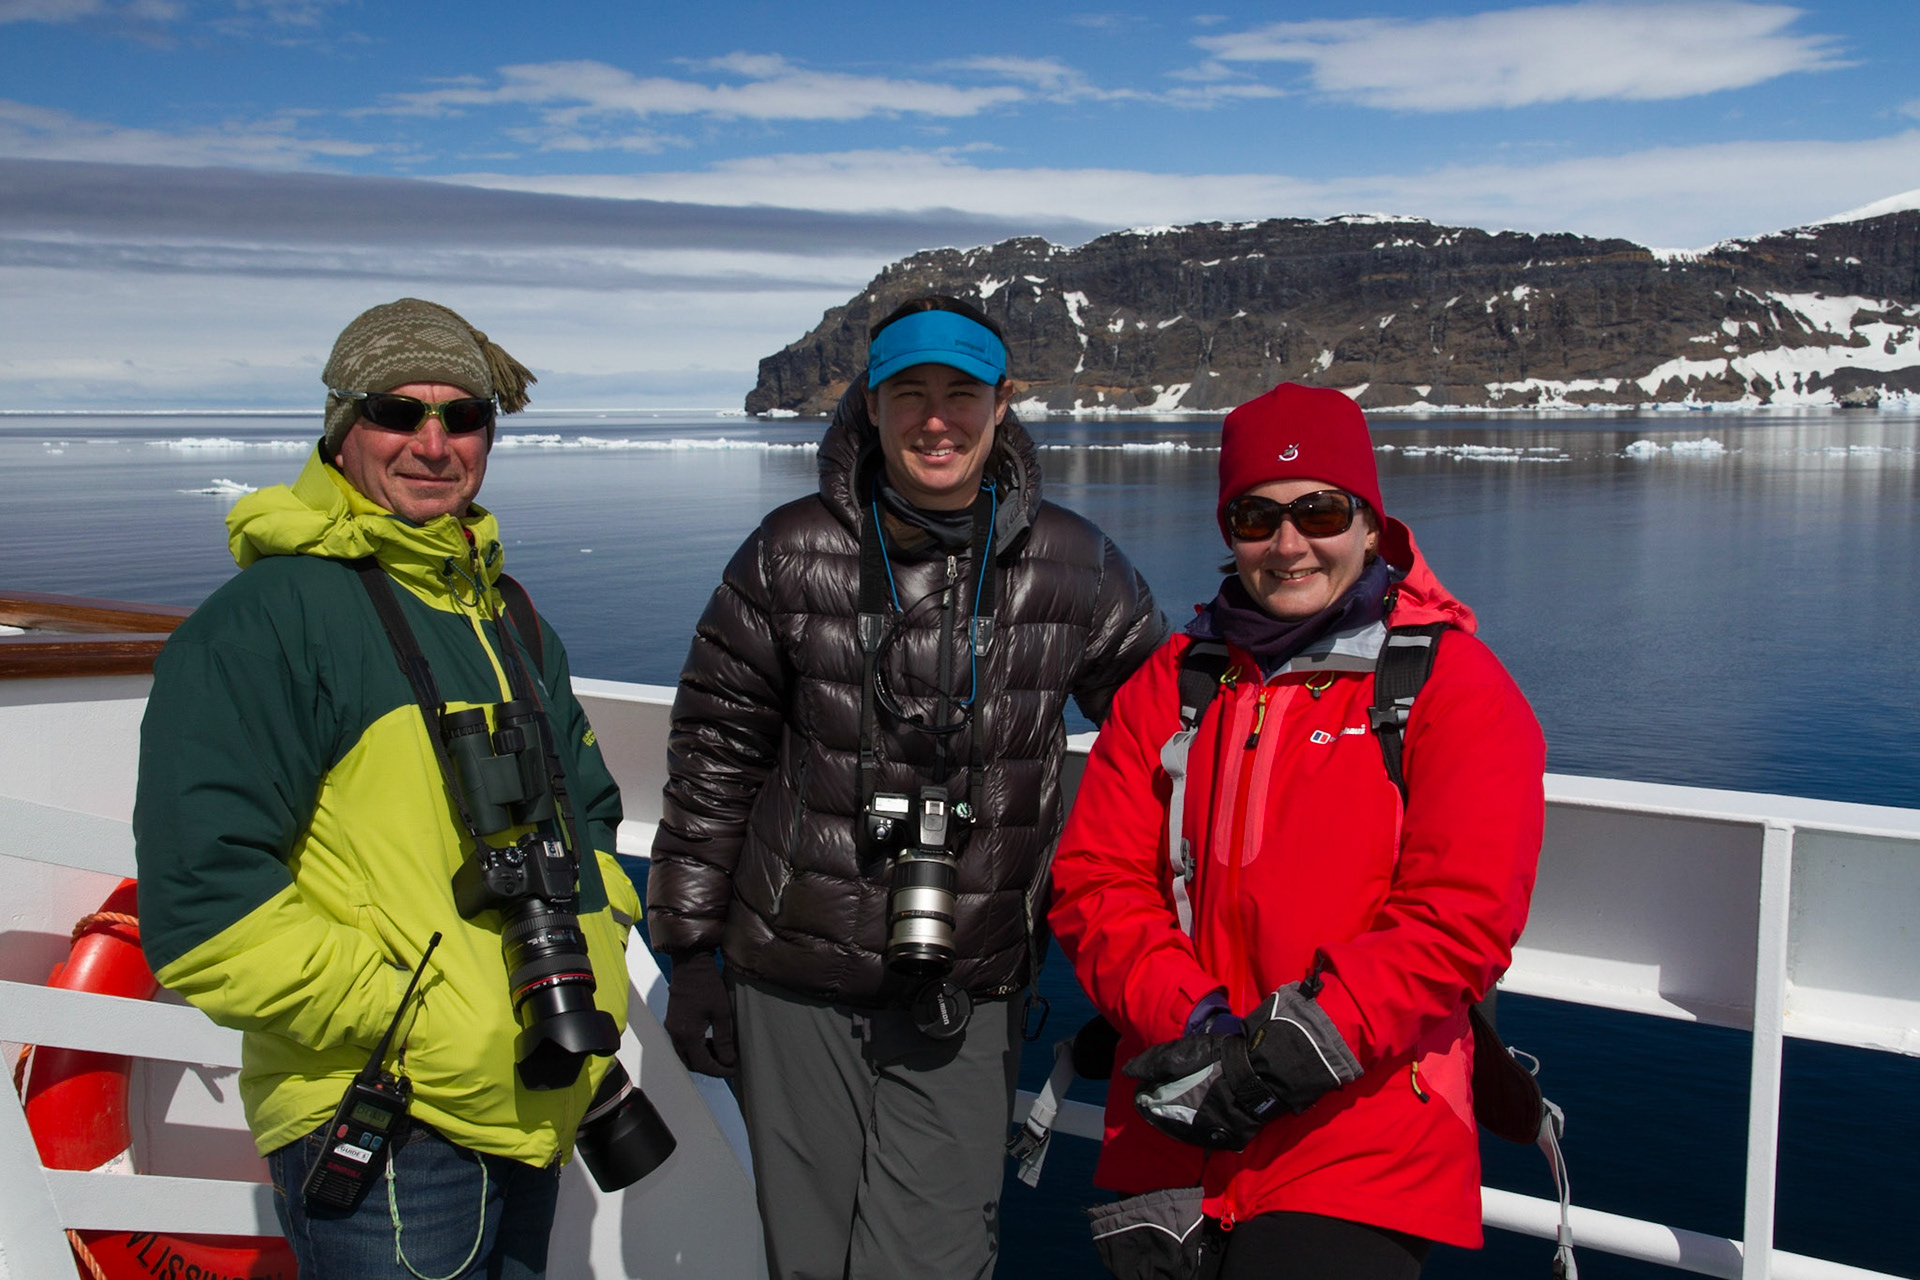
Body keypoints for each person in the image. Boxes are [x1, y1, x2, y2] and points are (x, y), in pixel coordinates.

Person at [647, 294, 1167, 1279]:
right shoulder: (788, 551)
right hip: (789, 973)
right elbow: (715, 756)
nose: (937, 418)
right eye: (909, 393)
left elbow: (1170, 749)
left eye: (961, 393)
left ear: (1002, 405)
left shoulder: (1074, 564)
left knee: (931, 1257)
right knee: (807, 1256)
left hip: (968, 984)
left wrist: (1138, 956)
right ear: (869, 407)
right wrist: (691, 954)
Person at [133, 298, 639, 1280]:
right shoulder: (270, 619)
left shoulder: (506, 614)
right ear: (340, 427)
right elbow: (204, 915)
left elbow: (590, 808)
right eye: (397, 411)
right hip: (389, 1120)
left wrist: (604, 936)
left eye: (464, 415)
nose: (433, 442)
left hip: (531, 1095)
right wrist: (426, 1021)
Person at [1049, 383, 1546, 1278]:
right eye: (1255, 516)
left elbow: (1461, 917)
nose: (1288, 545)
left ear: (1368, 520)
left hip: (1361, 1135)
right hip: (1178, 1120)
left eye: (1319, 510)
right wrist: (1195, 1023)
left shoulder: (1448, 688)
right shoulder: (1172, 683)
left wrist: (1293, 1049)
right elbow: (1094, 882)